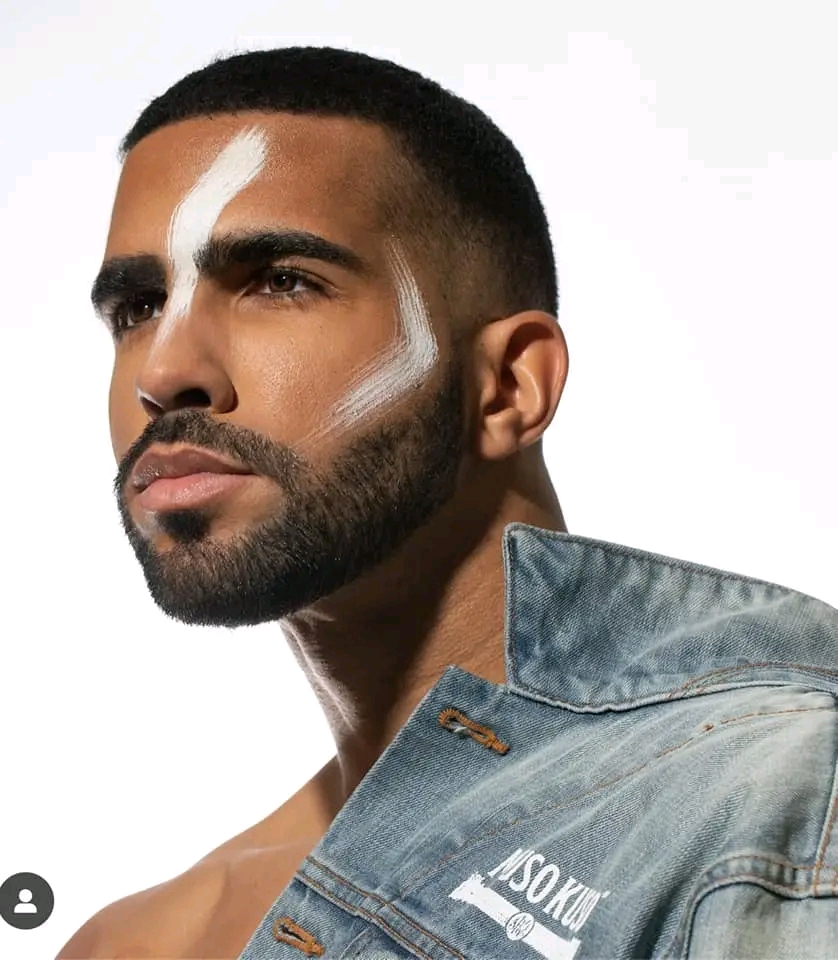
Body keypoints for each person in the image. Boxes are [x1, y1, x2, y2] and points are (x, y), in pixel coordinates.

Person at [57, 46, 838, 960]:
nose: (162, 373)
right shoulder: (135, 942)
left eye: (281, 281)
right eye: (138, 306)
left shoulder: (779, 805)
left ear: (507, 387)